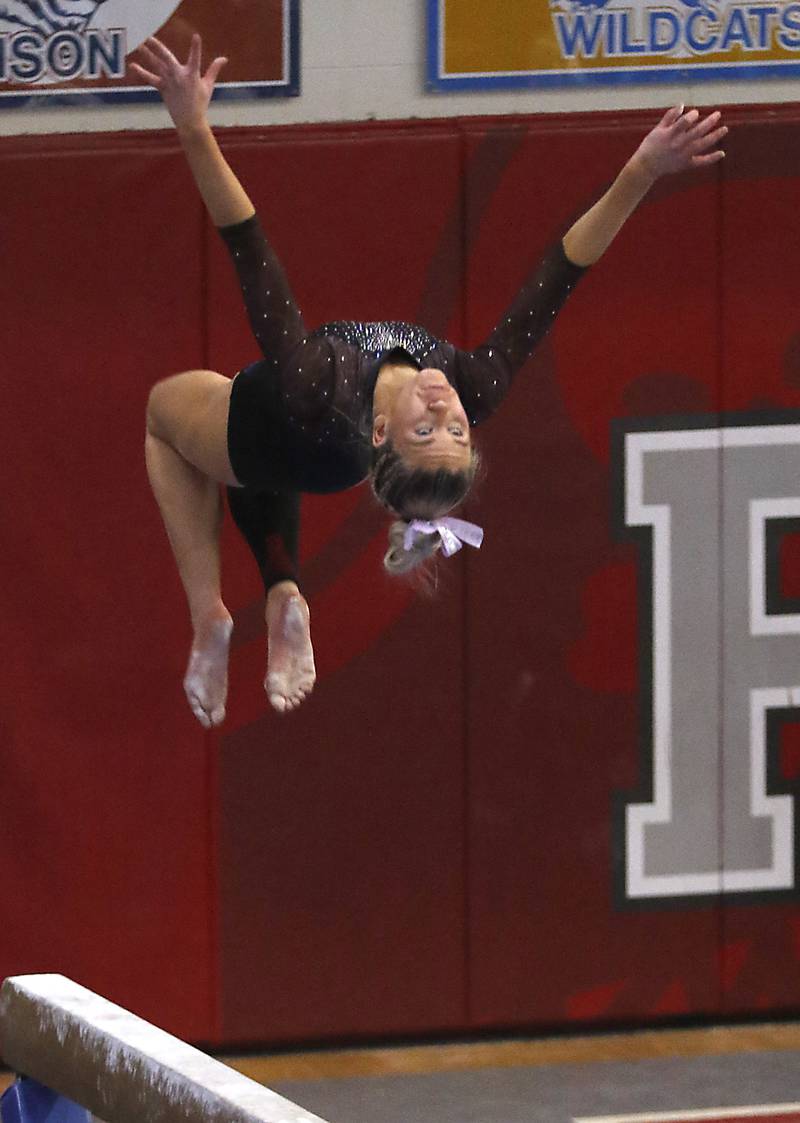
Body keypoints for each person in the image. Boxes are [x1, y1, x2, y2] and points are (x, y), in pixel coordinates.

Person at [135, 35, 726, 730]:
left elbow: (248, 245)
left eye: (427, 427)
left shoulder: (318, 380)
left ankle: (210, 613)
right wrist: (642, 170)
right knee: (256, 473)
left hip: (279, 414)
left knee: (163, 424)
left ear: (384, 432)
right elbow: (562, 271)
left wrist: (193, 126)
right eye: (454, 430)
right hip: (314, 452)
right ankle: (282, 593)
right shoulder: (473, 383)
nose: (446, 406)